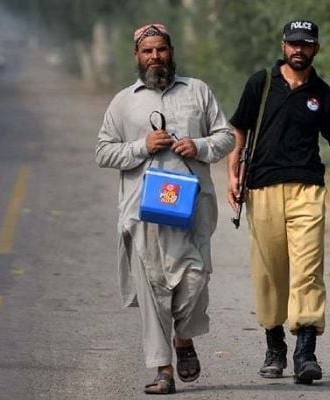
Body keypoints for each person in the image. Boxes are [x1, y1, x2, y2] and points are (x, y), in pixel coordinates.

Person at [95, 23, 234, 395]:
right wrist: (142, 146)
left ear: (171, 52)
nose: (155, 57)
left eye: (161, 50)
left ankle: (184, 337)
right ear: (137, 57)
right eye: (147, 51)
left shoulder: (198, 91)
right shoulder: (124, 101)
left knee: (195, 279)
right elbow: (103, 151)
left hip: (191, 208)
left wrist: (199, 146)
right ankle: (163, 370)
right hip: (143, 212)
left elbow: (226, 137)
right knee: (154, 288)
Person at [227, 19, 330, 384]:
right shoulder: (261, 83)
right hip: (261, 188)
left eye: (305, 44)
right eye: (292, 43)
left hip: (307, 190)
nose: (298, 50)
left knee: (307, 271)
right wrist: (233, 173)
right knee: (269, 272)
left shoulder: (323, 94)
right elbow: (239, 129)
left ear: (316, 48)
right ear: (282, 45)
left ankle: (306, 352)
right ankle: (274, 346)